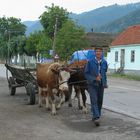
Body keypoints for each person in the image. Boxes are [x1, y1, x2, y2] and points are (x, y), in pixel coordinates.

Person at [84, 47, 108, 126]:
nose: (98, 53)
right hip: (92, 85)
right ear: (95, 53)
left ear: (102, 53)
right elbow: (86, 74)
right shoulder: (90, 62)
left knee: (100, 101)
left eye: (100, 51)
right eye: (97, 51)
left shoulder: (104, 62)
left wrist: (105, 83)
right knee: (94, 100)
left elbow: (104, 74)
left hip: (101, 85)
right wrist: (94, 78)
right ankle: (97, 117)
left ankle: (96, 115)